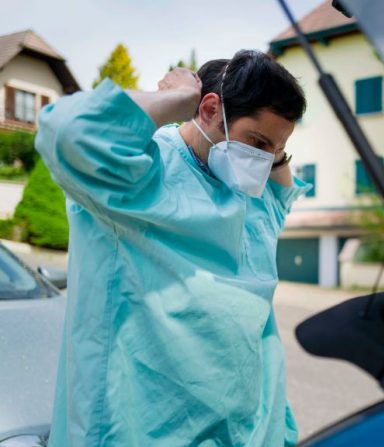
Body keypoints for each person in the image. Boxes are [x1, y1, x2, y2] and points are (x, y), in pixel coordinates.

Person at [36, 49, 310, 446]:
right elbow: (67, 129)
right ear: (210, 109)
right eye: (258, 141)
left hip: (249, 429)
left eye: (276, 151)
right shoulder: (141, 169)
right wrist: (178, 98)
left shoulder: (250, 191)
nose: (266, 162)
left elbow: (280, 195)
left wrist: (275, 149)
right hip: (141, 430)